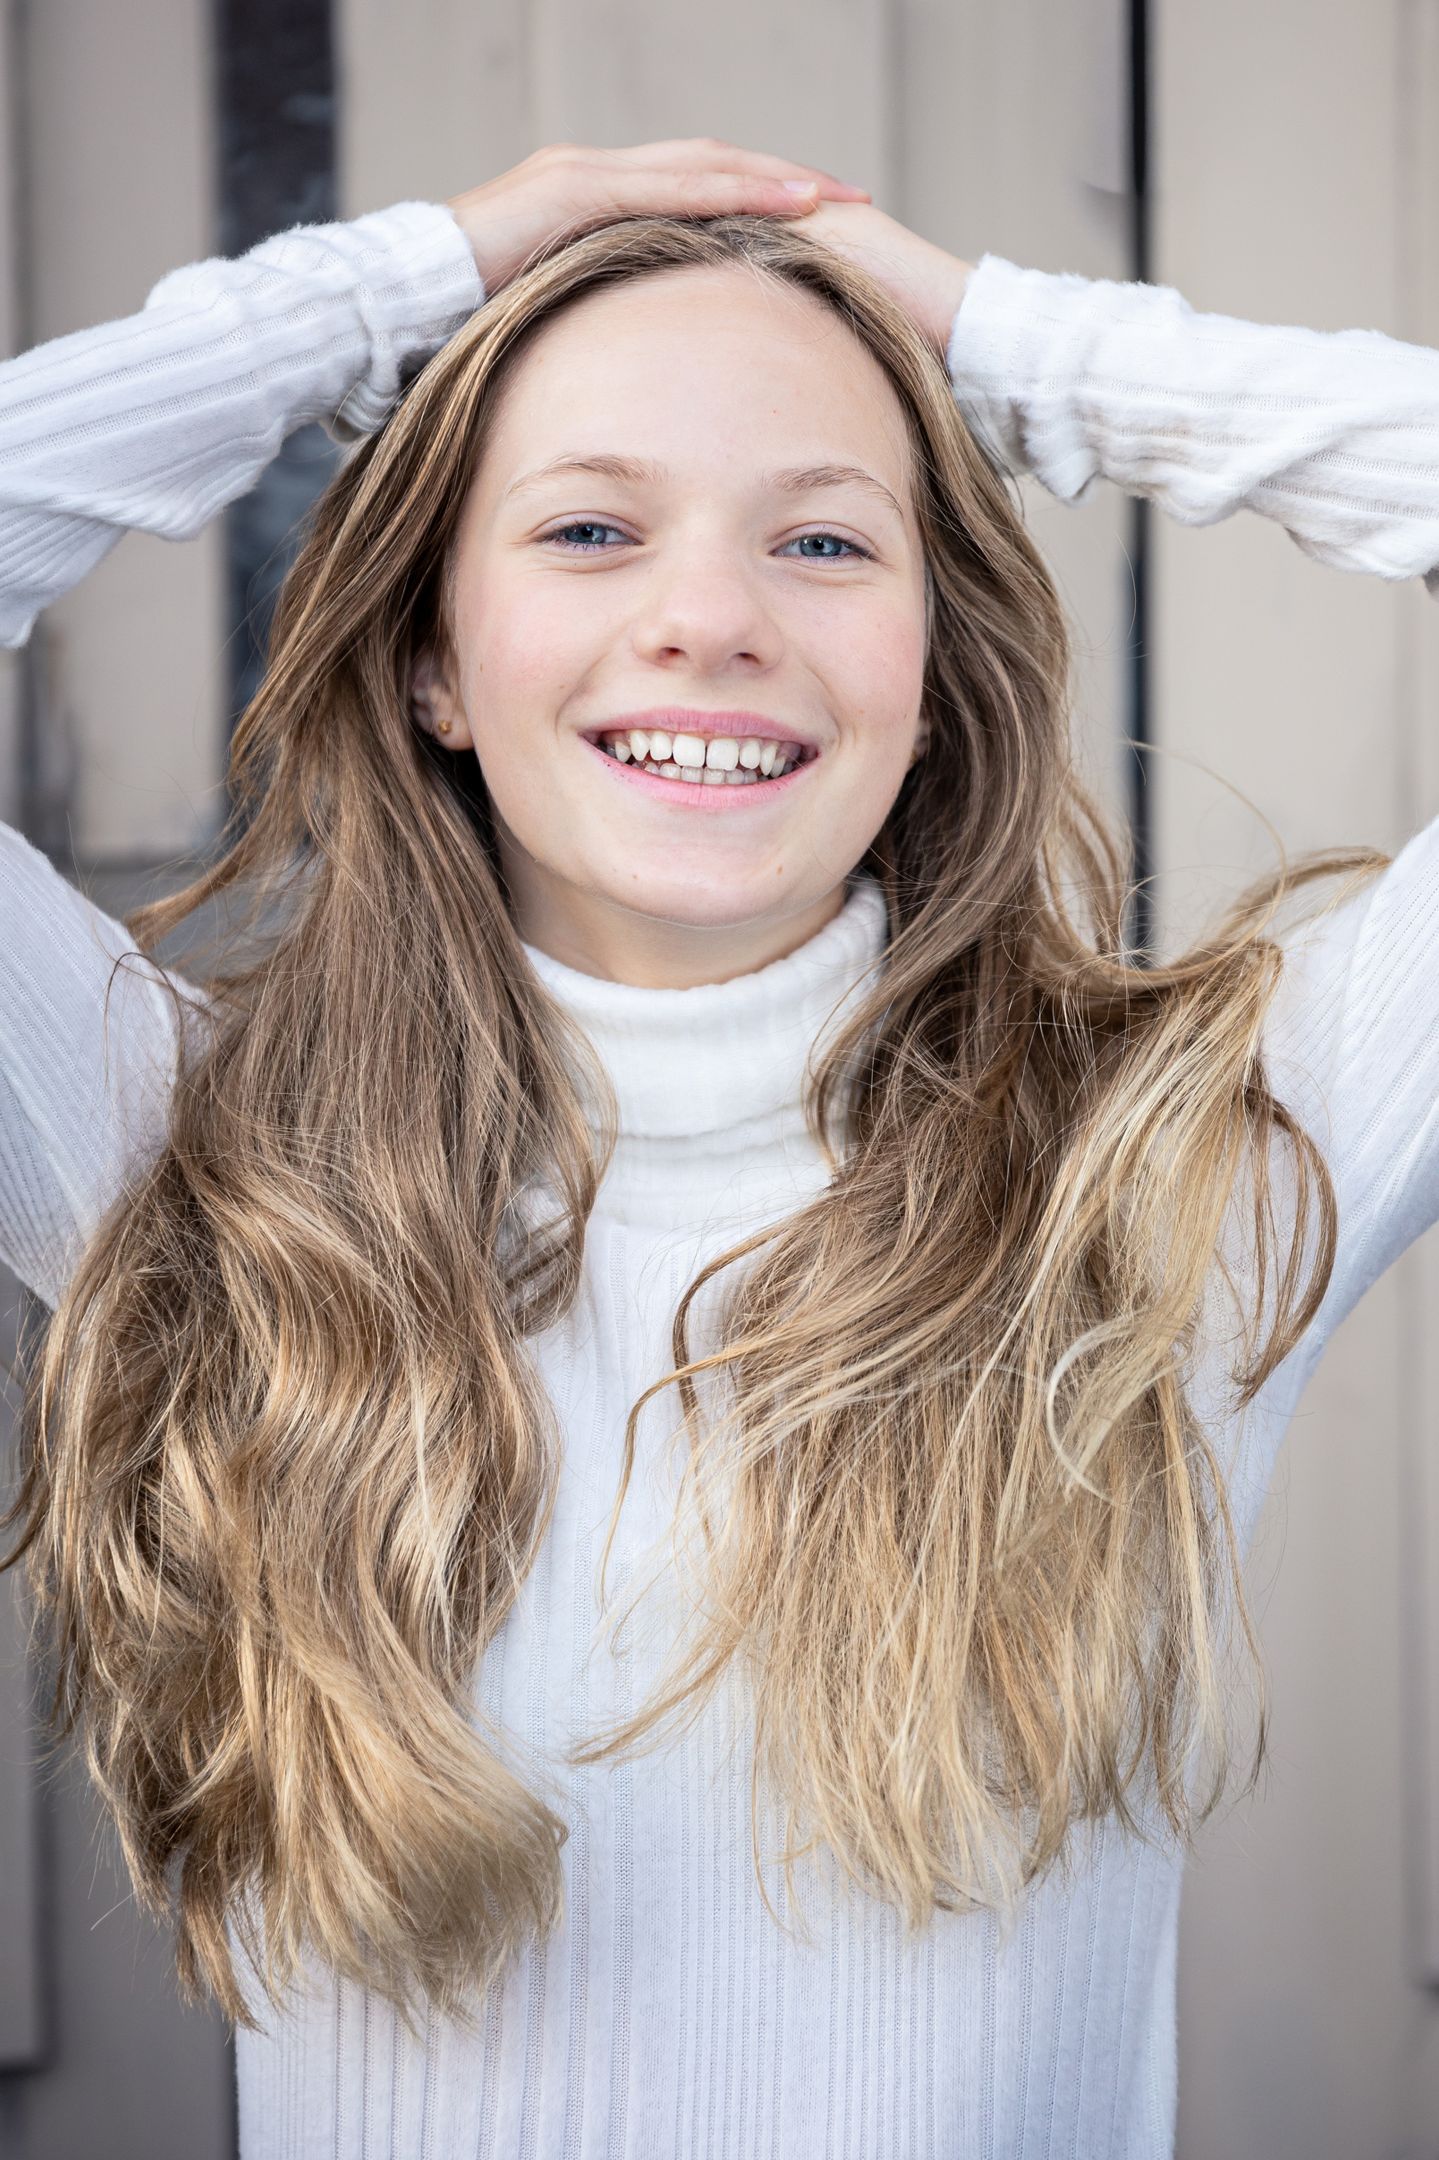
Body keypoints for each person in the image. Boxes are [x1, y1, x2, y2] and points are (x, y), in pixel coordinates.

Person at [2, 135, 1437, 2159]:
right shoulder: (193, 1156)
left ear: (934, 679)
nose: (709, 617)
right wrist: (371, 303)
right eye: (591, 530)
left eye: (825, 543)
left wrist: (1020, 350)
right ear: (431, 660)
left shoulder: (1187, 1169)